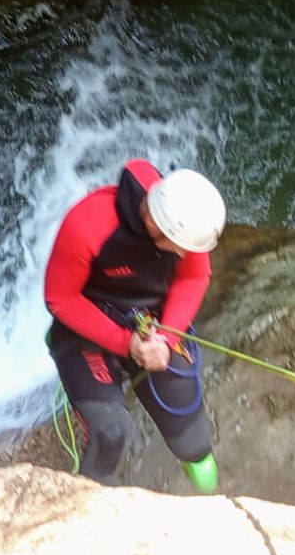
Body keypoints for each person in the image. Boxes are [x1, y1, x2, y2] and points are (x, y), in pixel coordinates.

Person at [44, 159, 226, 492]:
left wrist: (166, 339)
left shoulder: (186, 219)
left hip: (153, 328)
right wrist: (126, 344)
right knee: (110, 431)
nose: (184, 255)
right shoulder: (89, 225)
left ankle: (215, 498)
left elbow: (195, 276)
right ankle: (88, 504)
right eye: (179, 247)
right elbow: (60, 298)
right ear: (154, 222)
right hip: (86, 334)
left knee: (193, 442)